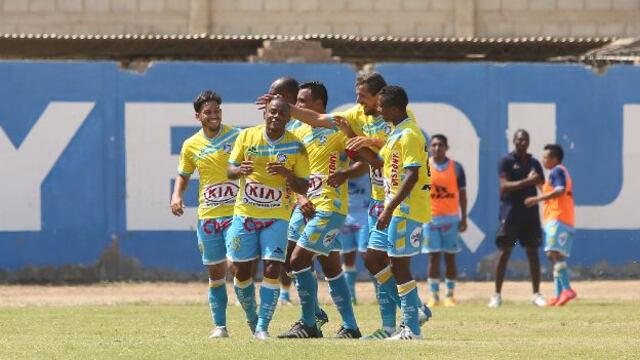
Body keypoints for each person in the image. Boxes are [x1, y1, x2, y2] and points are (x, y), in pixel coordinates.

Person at [277, 71, 431, 339]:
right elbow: (317, 120)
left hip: (395, 202)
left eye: (363, 97)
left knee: (392, 263)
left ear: (380, 99)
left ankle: (408, 318)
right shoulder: (356, 116)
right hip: (377, 198)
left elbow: (397, 152)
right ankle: (391, 325)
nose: (358, 103)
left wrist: (366, 145)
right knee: (372, 261)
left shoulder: (402, 124)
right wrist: (281, 105)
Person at [278, 81, 364, 339]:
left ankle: (309, 323)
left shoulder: (339, 126)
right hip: (303, 205)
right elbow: (291, 173)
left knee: (298, 260)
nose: (297, 106)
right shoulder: (296, 131)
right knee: (323, 265)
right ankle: (349, 326)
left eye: (301, 101)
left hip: (328, 206)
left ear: (318, 104)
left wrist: (345, 172)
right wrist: (301, 197)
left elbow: (364, 161)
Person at [351, 85, 431, 340]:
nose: (379, 110)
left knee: (399, 265)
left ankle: (412, 328)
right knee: (373, 260)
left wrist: (390, 208)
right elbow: (377, 162)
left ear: (395, 108)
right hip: (391, 208)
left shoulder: (409, 135)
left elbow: (412, 175)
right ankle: (403, 319)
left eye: (383, 106)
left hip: (405, 209)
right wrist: (348, 137)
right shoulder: (396, 132)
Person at [226, 97, 309, 340]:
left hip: (277, 216)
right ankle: (251, 315)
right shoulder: (246, 137)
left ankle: (263, 325)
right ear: (265, 113)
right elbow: (230, 169)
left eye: (281, 113)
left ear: (288, 118)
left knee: (272, 266)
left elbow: (304, 185)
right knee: (241, 272)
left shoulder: (296, 146)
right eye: (272, 112)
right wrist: (239, 170)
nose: (276, 116)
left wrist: (288, 174)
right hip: (245, 214)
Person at [170, 90, 241, 338]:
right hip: (208, 215)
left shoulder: (238, 136)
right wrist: (176, 195)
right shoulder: (191, 145)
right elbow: (184, 174)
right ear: (198, 116)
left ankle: (253, 314)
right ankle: (220, 326)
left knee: (237, 264)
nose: (214, 115)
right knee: (215, 273)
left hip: (237, 212)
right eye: (208, 112)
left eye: (217, 111)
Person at [489, 129, 546, 308]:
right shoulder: (506, 161)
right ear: (514, 141)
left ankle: (536, 294)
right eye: (519, 139)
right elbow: (504, 186)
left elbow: (542, 183)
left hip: (530, 217)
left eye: (525, 140)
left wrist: (534, 182)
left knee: (533, 253)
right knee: (505, 252)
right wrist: (528, 181)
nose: (522, 142)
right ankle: (496, 295)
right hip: (510, 215)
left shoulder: (534, 162)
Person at [525, 144, 577, 306]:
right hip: (559, 218)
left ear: (555, 159)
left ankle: (567, 289)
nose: (543, 159)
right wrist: (538, 184)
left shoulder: (557, 171)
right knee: (556, 255)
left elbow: (560, 191)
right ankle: (559, 294)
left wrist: (536, 199)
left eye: (546, 157)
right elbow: (551, 193)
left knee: (552, 253)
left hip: (558, 217)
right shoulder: (556, 173)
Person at [422, 134, 467, 308]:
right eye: (433, 145)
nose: (437, 148)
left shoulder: (456, 168)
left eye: (440, 145)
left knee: (450, 258)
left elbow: (462, 194)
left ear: (446, 147)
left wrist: (463, 218)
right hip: (430, 220)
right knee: (433, 258)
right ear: (429, 147)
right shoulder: (425, 167)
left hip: (451, 219)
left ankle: (450, 295)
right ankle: (434, 296)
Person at [267, 76, 300, 306]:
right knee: (280, 253)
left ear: (288, 99)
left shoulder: (300, 126)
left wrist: (302, 194)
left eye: (274, 93)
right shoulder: (274, 123)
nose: (269, 96)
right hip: (274, 200)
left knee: (292, 252)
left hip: (299, 198)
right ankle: (284, 293)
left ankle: (293, 294)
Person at [338, 171, 371, 305]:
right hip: (345, 217)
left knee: (367, 256)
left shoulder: (366, 168)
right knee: (347, 256)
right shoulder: (341, 167)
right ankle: (350, 296)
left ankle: (381, 294)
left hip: (364, 216)